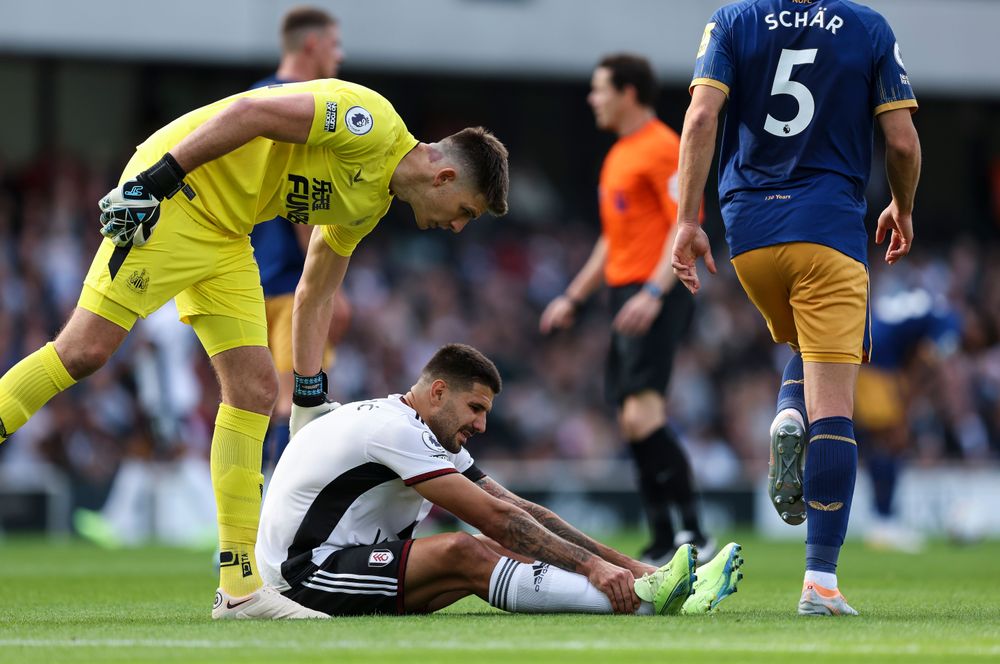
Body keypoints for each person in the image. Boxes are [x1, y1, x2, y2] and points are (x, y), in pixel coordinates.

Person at [0, 77, 510, 619]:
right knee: (85, 350)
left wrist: (310, 395)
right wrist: (157, 180)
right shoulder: (370, 122)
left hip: (228, 232)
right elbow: (252, 112)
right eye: (466, 211)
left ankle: (238, 588)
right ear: (446, 175)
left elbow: (315, 287)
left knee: (255, 389)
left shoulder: (369, 204)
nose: (457, 226)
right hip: (175, 195)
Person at [671, 0, 921, 616]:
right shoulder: (866, 27)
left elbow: (702, 118)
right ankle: (821, 583)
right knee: (835, 408)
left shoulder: (733, 20)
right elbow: (903, 142)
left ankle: (788, 413)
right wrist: (902, 204)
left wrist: (686, 220)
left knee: (807, 356)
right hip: (828, 232)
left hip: (748, 232)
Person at [256, 342, 744, 618]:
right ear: (438, 392)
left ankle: (659, 585)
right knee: (467, 549)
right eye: (475, 409)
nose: (482, 426)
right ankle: (643, 605)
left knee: (513, 546)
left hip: (348, 565)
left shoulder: (418, 429)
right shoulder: (395, 430)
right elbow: (496, 520)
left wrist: (634, 564)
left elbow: (527, 514)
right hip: (303, 576)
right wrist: (595, 569)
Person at [539, 54, 712, 565]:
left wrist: (655, 293)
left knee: (644, 412)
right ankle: (662, 538)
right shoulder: (618, 155)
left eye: (599, 89)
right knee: (631, 420)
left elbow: (685, 224)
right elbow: (611, 242)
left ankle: (694, 533)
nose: (593, 99)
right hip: (625, 289)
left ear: (629, 92)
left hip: (656, 287)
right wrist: (573, 296)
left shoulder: (663, 147)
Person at [248, 6, 351, 470]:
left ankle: (240, 525)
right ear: (311, 45)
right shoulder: (307, 104)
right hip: (293, 284)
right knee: (296, 399)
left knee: (250, 404)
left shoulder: (253, 97)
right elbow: (301, 200)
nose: (340, 55)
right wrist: (327, 283)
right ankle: (277, 525)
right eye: (334, 44)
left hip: (245, 280)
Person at [855, 288, 961, 553]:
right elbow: (926, 362)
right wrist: (907, 401)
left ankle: (885, 519)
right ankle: (883, 522)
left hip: (872, 352)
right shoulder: (949, 326)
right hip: (878, 364)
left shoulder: (932, 306)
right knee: (889, 441)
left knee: (889, 443)